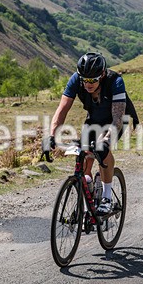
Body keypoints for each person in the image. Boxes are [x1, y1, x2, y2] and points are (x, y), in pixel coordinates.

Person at [46, 52, 129, 214]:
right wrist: (51, 136)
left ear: (102, 75)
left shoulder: (115, 81)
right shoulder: (76, 79)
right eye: (85, 80)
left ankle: (106, 198)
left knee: (102, 150)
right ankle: (90, 193)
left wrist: (105, 142)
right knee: (84, 157)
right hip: (94, 118)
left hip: (115, 120)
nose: (88, 84)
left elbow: (117, 119)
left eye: (92, 80)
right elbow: (62, 110)